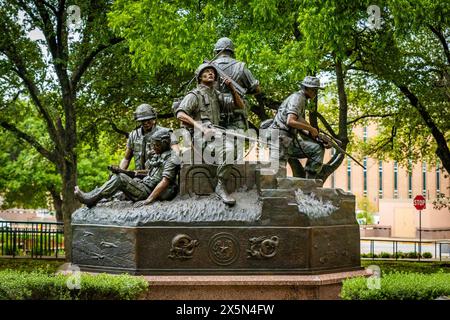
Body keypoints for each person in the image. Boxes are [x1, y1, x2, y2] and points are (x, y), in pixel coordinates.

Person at [175, 63, 244, 205]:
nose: (211, 73)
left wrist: (231, 88)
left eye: (212, 72)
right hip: (200, 136)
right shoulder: (194, 95)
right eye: (207, 72)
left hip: (217, 133)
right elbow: (180, 114)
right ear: (200, 77)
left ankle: (221, 179)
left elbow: (240, 106)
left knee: (236, 146)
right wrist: (201, 127)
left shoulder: (216, 94)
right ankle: (221, 185)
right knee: (229, 150)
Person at [74, 129, 179, 208]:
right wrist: (125, 172)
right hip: (144, 185)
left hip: (148, 191)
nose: (154, 147)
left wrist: (148, 200)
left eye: (156, 145)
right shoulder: (159, 155)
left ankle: (90, 199)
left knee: (120, 178)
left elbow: (165, 181)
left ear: (164, 143)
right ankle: (96, 196)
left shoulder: (171, 158)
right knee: (118, 175)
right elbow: (149, 172)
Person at [269, 76, 328, 179]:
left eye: (316, 90)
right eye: (314, 90)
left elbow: (299, 119)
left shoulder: (301, 99)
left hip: (289, 139)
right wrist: (311, 129)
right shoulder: (298, 98)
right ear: (306, 88)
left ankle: (309, 183)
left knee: (317, 149)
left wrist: (314, 131)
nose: (315, 92)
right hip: (281, 138)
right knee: (277, 174)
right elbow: (291, 121)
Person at [211, 37, 260, 130]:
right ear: (232, 51)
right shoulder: (241, 67)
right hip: (236, 115)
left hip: (213, 115)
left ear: (216, 51)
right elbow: (256, 89)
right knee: (236, 142)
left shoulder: (208, 68)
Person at [121, 103, 178, 173]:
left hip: (158, 176)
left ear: (153, 118)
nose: (146, 123)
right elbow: (126, 159)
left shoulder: (167, 133)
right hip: (138, 175)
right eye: (142, 121)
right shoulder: (133, 135)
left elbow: (176, 153)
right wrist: (120, 171)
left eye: (148, 119)